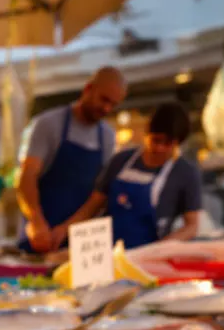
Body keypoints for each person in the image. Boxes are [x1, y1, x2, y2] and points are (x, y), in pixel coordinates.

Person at [59, 102, 202, 250]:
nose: (160, 148)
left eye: (168, 143)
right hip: (107, 251)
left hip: (148, 256)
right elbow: (93, 206)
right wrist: (63, 231)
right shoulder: (120, 161)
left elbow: (191, 226)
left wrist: (159, 249)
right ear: (146, 133)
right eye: (156, 140)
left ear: (178, 142)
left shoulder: (186, 173)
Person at [16, 66, 127, 253]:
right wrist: (36, 220)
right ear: (88, 89)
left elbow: (99, 195)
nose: (106, 108)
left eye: (113, 105)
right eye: (104, 100)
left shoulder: (108, 136)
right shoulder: (48, 124)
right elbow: (27, 176)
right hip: (38, 239)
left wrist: (67, 229)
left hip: (80, 244)